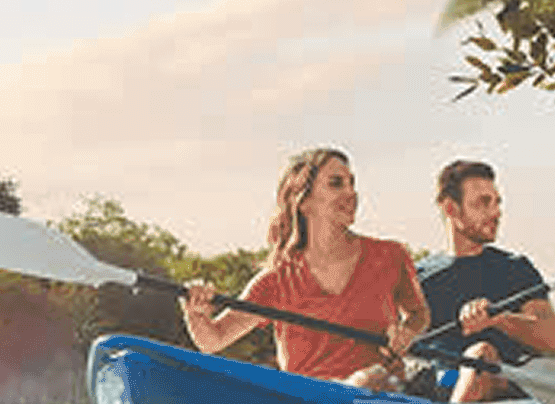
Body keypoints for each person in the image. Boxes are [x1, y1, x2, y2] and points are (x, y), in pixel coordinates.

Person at [180, 147, 429, 389]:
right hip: (310, 403)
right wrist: (196, 314)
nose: (351, 193)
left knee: (372, 380)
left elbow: (419, 313)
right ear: (303, 200)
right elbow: (213, 340)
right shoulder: (276, 280)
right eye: (336, 183)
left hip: (381, 395)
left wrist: (407, 332)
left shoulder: (391, 256)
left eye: (352, 183)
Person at [417, 159, 555, 404]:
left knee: (480, 354)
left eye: (497, 203)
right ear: (451, 208)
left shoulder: (515, 268)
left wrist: (499, 319)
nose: (496, 213)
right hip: (438, 386)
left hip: (499, 388)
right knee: (372, 375)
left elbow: (553, 338)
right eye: (484, 203)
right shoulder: (418, 276)